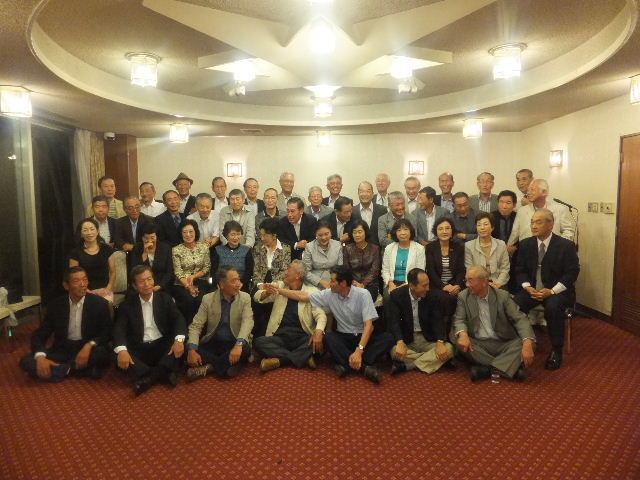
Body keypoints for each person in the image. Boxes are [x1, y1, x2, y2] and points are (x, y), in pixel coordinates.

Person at [277, 266, 394, 384]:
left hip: (363, 337)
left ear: (343, 283)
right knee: (328, 338)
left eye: (333, 281)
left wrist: (359, 350)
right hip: (343, 337)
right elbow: (302, 296)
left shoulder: (363, 294)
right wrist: (279, 290)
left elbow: (369, 326)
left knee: (388, 338)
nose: (330, 284)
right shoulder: (329, 293)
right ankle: (365, 368)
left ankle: (345, 364)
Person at [513, 209, 580, 370]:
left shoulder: (566, 245)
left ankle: (556, 350)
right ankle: (519, 344)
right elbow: (519, 270)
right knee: (514, 305)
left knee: (553, 307)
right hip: (532, 290)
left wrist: (551, 291)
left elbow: (572, 273)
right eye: (532, 222)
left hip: (557, 291)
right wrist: (527, 287)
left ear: (551, 224)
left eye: (539, 222)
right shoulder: (526, 244)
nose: (534, 226)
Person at [19, 267, 111, 382]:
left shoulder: (100, 304)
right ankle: (74, 370)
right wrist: (41, 357)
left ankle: (58, 370)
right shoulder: (56, 305)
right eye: (76, 281)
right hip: (63, 349)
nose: (83, 284)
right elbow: (40, 334)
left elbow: (106, 332)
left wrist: (89, 345)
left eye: (85, 280)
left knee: (102, 354)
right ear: (66, 285)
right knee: (26, 361)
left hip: (88, 348)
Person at [454, 265, 536, 382]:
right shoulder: (463, 296)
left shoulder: (502, 296)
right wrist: (463, 335)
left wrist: (527, 343)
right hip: (478, 344)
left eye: (470, 280)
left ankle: (486, 370)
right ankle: (508, 368)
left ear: (484, 282)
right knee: (456, 337)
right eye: (465, 280)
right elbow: (459, 319)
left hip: (503, 342)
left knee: (528, 342)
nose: (467, 284)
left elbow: (520, 319)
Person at [113, 265, 186, 396]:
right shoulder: (126, 305)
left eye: (149, 279)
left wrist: (179, 340)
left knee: (179, 345)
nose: (147, 284)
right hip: (140, 348)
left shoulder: (165, 299)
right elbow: (119, 329)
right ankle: (164, 372)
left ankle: (147, 379)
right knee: (118, 353)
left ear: (153, 280)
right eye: (142, 281)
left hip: (162, 344)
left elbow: (178, 319)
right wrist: (122, 351)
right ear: (134, 286)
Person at [253, 261, 327, 372]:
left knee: (322, 340)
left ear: (298, 275)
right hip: (280, 337)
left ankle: (279, 360)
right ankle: (303, 357)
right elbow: (257, 297)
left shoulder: (311, 291)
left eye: (289, 269)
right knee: (258, 342)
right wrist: (267, 293)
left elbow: (321, 315)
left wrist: (318, 332)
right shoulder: (279, 285)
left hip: (302, 337)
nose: (285, 272)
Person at [185, 266, 253, 380]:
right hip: (215, 342)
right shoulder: (208, 299)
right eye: (234, 281)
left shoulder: (245, 297)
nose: (238, 284)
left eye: (238, 279)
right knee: (186, 348)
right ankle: (226, 365)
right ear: (222, 284)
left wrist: (238, 345)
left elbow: (248, 322)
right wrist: (192, 350)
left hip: (235, 341)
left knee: (245, 349)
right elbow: (196, 326)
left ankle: (209, 367)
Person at [387, 268, 453, 375]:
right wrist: (399, 342)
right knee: (394, 351)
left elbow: (438, 320)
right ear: (412, 286)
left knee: (448, 348)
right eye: (424, 286)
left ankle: (408, 366)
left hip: (426, 339)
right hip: (407, 340)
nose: (428, 288)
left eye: (428, 284)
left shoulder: (432, 296)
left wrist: (440, 342)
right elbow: (394, 322)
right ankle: (433, 360)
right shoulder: (397, 295)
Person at [508, 179, 575, 246]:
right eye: (528, 190)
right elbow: (514, 233)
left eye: (532, 190)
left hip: (553, 249)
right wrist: (509, 246)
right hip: (527, 249)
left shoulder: (559, 209)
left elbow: (568, 231)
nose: (528, 193)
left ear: (544, 192)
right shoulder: (522, 211)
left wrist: (559, 245)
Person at [172, 219, 211, 324]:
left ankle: (201, 328)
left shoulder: (204, 247)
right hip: (182, 283)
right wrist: (189, 287)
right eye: (184, 232)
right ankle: (186, 327)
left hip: (201, 280)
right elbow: (178, 272)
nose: (188, 235)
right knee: (187, 299)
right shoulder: (176, 250)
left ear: (195, 232)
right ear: (181, 234)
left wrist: (194, 277)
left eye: (191, 231)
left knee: (201, 299)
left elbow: (206, 267)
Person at [426, 217, 466, 316]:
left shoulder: (458, 247)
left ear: (452, 231)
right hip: (437, 285)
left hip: (455, 285)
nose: (444, 231)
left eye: (447, 228)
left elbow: (461, 270)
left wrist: (457, 285)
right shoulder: (430, 248)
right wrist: (443, 286)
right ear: (436, 232)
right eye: (440, 229)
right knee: (445, 298)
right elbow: (431, 271)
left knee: (459, 296)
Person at [69, 218, 116, 302]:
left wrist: (108, 289)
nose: (89, 233)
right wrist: (88, 292)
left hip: (104, 290)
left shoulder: (107, 249)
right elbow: (73, 276)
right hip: (83, 290)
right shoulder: (75, 252)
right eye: (85, 230)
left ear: (97, 231)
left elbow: (113, 272)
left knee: (105, 304)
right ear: (81, 234)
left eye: (92, 229)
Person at [381, 219, 426, 299]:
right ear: (395, 233)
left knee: (405, 296)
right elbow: (385, 270)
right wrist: (390, 283)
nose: (403, 233)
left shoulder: (419, 249)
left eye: (406, 229)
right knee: (388, 297)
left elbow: (420, 271)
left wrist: (406, 285)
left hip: (411, 283)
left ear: (411, 231)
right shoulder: (389, 248)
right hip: (393, 282)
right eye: (399, 230)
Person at [464, 212, 510, 290]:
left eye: (485, 224)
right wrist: (482, 284)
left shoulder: (501, 244)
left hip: (498, 282)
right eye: (479, 225)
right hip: (477, 283)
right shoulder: (469, 246)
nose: (482, 228)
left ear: (492, 227)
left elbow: (505, 268)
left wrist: (498, 283)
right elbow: (469, 269)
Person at [342, 220, 381, 302]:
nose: (357, 235)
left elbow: (374, 270)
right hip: (352, 284)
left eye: (360, 232)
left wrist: (363, 284)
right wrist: (354, 283)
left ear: (365, 232)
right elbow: (346, 269)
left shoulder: (374, 248)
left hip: (371, 285)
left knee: (364, 297)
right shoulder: (347, 249)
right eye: (354, 232)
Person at [129, 223, 174, 294]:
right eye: (146, 238)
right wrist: (144, 253)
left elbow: (169, 272)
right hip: (142, 287)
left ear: (156, 236)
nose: (150, 240)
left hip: (161, 286)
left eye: (152, 237)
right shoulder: (136, 248)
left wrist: (160, 286)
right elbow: (135, 271)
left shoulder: (165, 248)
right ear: (142, 238)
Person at [251, 217, 292, 291]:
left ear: (274, 236)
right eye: (261, 235)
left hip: (278, 285)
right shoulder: (257, 248)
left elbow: (284, 271)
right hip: (260, 284)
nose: (262, 238)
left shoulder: (286, 249)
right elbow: (256, 270)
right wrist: (260, 285)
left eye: (265, 235)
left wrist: (273, 284)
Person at [212, 220, 253, 289]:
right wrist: (220, 285)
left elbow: (249, 272)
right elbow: (214, 272)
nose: (236, 237)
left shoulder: (246, 250)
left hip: (241, 286)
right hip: (222, 287)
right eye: (233, 234)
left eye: (238, 234)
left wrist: (240, 284)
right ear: (226, 235)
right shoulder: (218, 250)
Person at [302, 220, 343, 290]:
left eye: (326, 234)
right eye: (320, 235)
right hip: (313, 282)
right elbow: (305, 272)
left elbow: (340, 269)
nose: (323, 238)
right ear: (315, 234)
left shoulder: (338, 245)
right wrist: (320, 281)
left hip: (333, 281)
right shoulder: (309, 247)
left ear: (331, 233)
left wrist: (334, 282)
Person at [354, 181, 387, 245]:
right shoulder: (352, 211)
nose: (365, 194)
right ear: (358, 194)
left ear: (372, 194)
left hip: (378, 249)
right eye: (361, 191)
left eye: (368, 191)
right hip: (357, 250)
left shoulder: (382, 210)